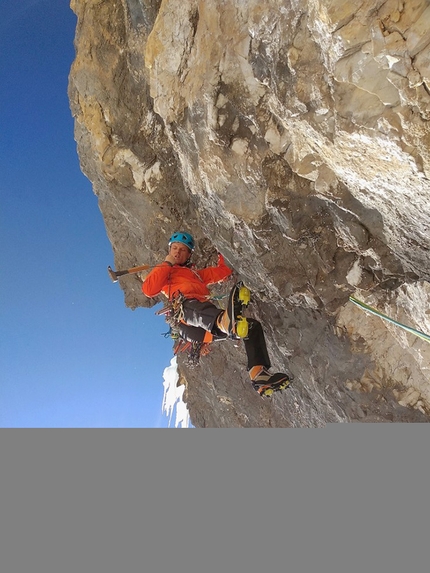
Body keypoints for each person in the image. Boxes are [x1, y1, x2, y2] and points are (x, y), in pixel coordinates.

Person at [142, 231, 291, 397]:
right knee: (189, 304)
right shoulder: (166, 273)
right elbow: (149, 289)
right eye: (174, 248)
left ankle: (258, 375)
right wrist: (167, 263)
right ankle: (225, 322)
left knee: (251, 327)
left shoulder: (197, 274)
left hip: (207, 325)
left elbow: (223, 271)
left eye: (183, 250)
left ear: (189, 254)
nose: (177, 252)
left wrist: (222, 248)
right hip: (189, 320)